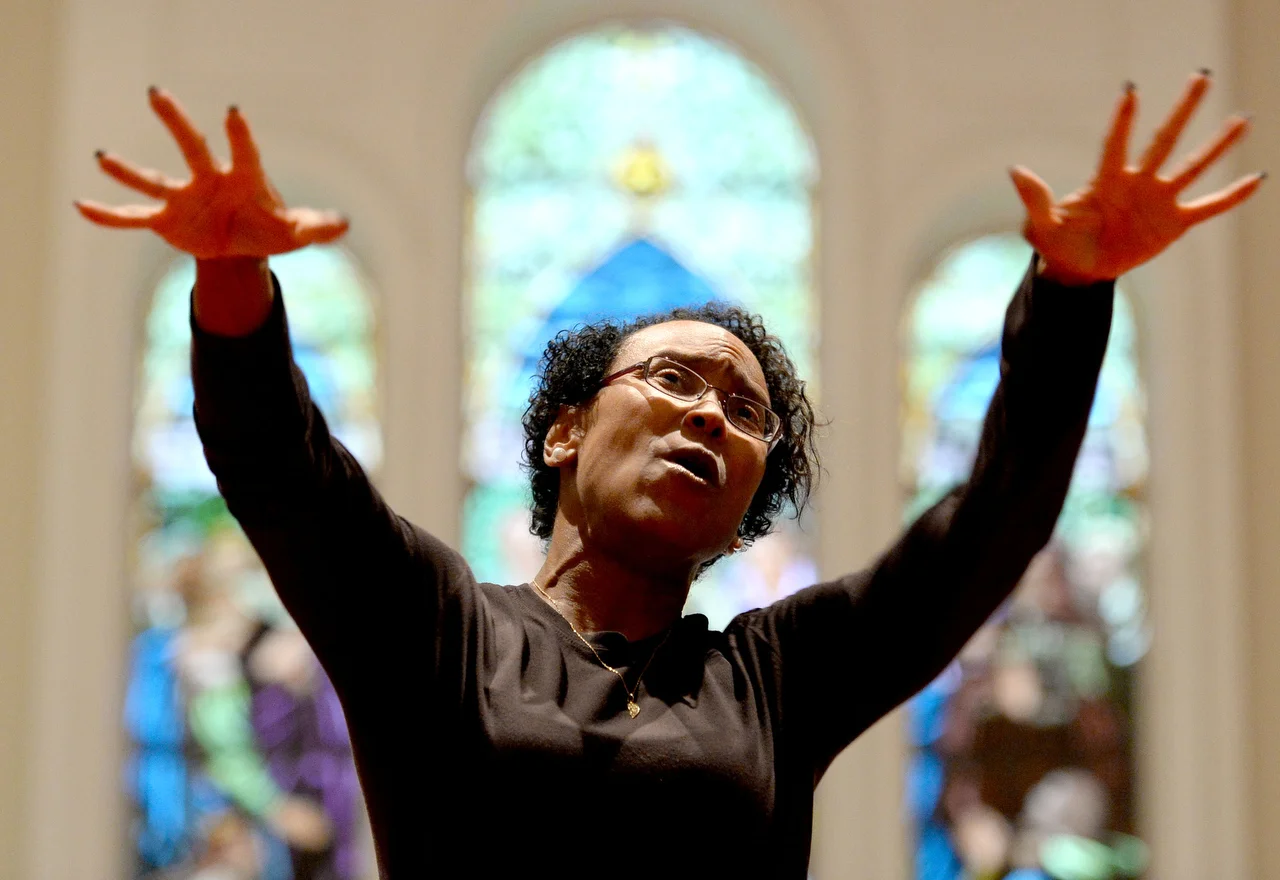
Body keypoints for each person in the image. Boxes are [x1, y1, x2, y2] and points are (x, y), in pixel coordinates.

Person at [79, 74, 1260, 878]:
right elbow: (283, 471)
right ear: (563, 434)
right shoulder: (437, 628)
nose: (709, 412)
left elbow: (989, 523)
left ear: (748, 501)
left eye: (744, 412)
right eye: (675, 381)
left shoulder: (774, 678)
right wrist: (232, 281)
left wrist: (1068, 294)